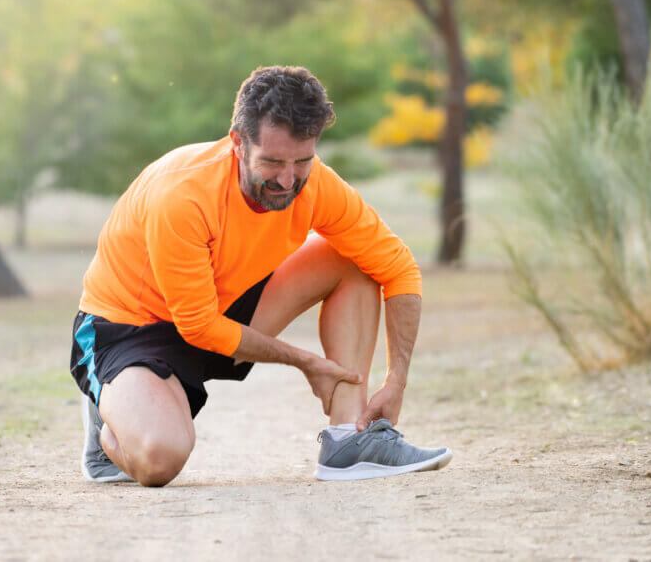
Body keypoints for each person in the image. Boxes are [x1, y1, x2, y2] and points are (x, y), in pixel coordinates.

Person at [70, 65, 451, 486]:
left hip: (223, 309)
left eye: (302, 161)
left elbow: (398, 268)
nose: (288, 180)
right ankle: (109, 408)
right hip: (130, 329)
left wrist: (396, 381)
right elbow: (197, 325)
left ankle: (348, 440)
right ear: (238, 142)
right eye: (272, 162)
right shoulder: (181, 195)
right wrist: (306, 362)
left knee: (358, 260)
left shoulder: (315, 184)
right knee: (161, 460)